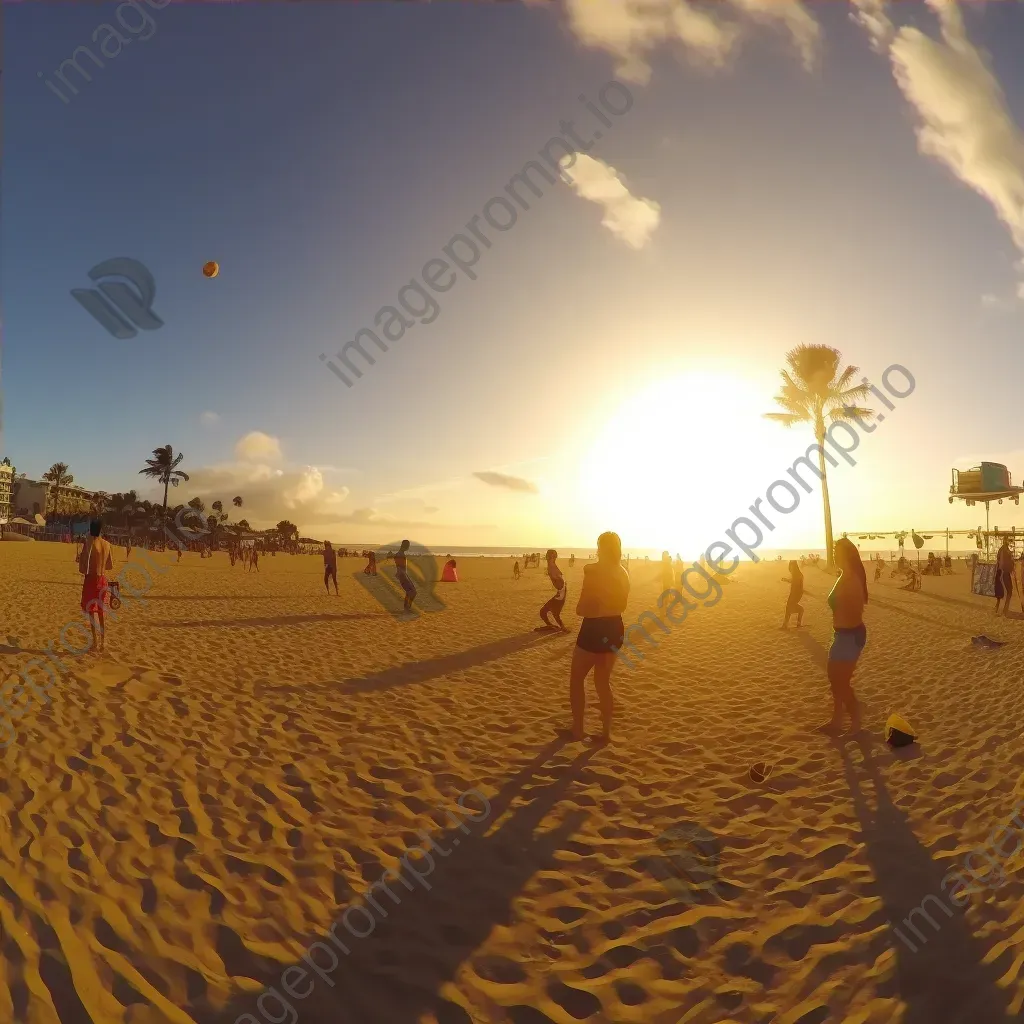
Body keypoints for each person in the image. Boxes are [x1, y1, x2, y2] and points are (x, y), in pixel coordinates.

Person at [568, 531, 630, 745]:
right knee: (603, 682)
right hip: (615, 627)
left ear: (600, 547)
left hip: (594, 627)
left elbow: (583, 607)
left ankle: (578, 730)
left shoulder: (592, 570)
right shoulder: (623, 572)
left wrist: (588, 606)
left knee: (577, 679)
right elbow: (622, 605)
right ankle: (606, 732)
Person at [821, 537, 868, 735]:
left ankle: (856, 722)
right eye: (832, 551)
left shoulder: (852, 579)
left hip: (850, 635)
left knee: (841, 681)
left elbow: (856, 612)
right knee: (835, 680)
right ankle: (837, 720)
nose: (833, 554)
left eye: (836, 551)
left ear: (846, 555)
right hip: (840, 634)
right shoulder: (843, 576)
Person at [79, 518, 114, 655]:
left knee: (91, 612)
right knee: (101, 612)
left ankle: (94, 642)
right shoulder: (107, 544)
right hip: (102, 579)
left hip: (91, 580)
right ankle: (103, 642)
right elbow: (110, 565)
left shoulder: (89, 542)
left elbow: (84, 568)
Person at [539, 549, 568, 632]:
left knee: (550, 612)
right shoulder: (552, 565)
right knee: (545, 612)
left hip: (560, 593)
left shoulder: (552, 566)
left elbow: (560, 580)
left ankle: (562, 628)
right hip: (561, 592)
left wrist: (560, 589)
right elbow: (561, 579)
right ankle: (555, 626)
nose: (548, 557)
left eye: (549, 555)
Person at [395, 539, 417, 612]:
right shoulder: (400, 554)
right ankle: (407, 607)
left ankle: (407, 607)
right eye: (408, 546)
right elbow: (400, 566)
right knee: (413, 592)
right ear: (405, 546)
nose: (408, 547)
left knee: (409, 591)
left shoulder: (400, 554)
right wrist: (401, 574)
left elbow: (399, 566)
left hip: (403, 575)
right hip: (403, 575)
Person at [782, 560, 804, 629]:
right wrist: (786, 580)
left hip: (797, 593)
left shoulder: (798, 574)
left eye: (792, 566)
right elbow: (793, 581)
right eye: (790, 566)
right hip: (794, 593)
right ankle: (796, 623)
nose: (790, 568)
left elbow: (797, 583)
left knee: (789, 607)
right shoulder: (795, 574)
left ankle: (786, 625)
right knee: (789, 607)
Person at [996, 536, 1014, 616]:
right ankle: (1004, 610)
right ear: (1005, 541)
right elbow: (1005, 562)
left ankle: (1001, 609)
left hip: (1002, 572)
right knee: (1008, 591)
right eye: (1008, 540)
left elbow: (999, 560)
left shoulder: (1002, 549)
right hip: (1005, 572)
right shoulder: (1005, 550)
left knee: (1005, 591)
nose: (1009, 542)